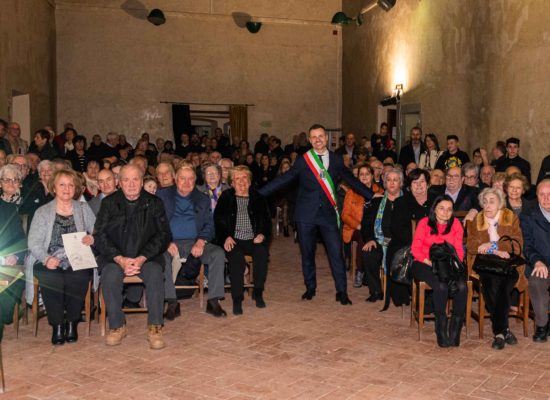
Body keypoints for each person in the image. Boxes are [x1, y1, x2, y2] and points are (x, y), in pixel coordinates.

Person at [259, 124, 373, 304]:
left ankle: (342, 292)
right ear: (310, 140)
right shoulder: (304, 160)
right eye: (314, 137)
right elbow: (285, 179)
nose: (318, 139)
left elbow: (351, 180)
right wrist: (259, 194)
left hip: (328, 215)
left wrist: (372, 195)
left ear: (326, 138)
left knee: (336, 254)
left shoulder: (336, 159)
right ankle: (310, 288)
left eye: (321, 136)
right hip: (306, 215)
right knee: (307, 254)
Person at [94, 165, 171, 349]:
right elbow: (100, 236)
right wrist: (120, 259)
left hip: (146, 256)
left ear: (142, 181)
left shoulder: (154, 203)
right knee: (110, 275)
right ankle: (117, 326)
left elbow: (163, 235)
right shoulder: (109, 203)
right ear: (119, 183)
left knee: (155, 273)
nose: (131, 184)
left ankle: (155, 327)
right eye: (126, 180)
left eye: (135, 179)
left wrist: (142, 257)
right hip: (115, 257)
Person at [27, 169, 96, 345]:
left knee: (79, 276)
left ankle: (72, 322)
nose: (67, 188)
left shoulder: (83, 208)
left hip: (77, 257)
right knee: (52, 277)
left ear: (76, 188)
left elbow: (97, 231)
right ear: (54, 187)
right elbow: (33, 242)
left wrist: (92, 238)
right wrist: (46, 259)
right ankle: (57, 325)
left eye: (71, 185)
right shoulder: (42, 211)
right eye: (62, 185)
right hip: (48, 257)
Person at [156, 165, 228, 319]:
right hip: (170, 243)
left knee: (218, 253)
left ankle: (213, 301)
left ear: (195, 181)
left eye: (190, 179)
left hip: (195, 242)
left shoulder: (202, 198)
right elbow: (155, 222)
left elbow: (210, 224)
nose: (186, 182)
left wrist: (201, 241)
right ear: (175, 179)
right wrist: (166, 241)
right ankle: (172, 302)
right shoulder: (162, 195)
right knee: (161, 258)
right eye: (183, 178)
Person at [466, 188, 525, 349]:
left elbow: (517, 244)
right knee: (489, 283)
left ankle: (499, 332)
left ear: (500, 204)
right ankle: (503, 330)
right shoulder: (477, 219)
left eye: (492, 201)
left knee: (504, 287)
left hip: (508, 263)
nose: (487, 205)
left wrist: (494, 246)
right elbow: (471, 245)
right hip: (486, 264)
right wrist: (491, 250)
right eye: (485, 202)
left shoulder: (510, 217)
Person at [411, 195, 467, 347]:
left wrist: (454, 264)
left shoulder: (456, 224)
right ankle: (440, 330)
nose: (445, 212)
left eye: (449, 209)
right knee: (441, 287)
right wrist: (429, 262)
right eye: (441, 208)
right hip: (424, 262)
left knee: (462, 287)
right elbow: (415, 249)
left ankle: (455, 331)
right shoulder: (424, 223)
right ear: (434, 209)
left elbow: (459, 250)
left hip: (448, 264)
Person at [214, 166, 271, 315]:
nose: (241, 181)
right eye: (237, 179)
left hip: (253, 239)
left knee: (262, 253)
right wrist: (226, 236)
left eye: (244, 177)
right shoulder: (226, 197)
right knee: (237, 258)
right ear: (232, 183)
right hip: (233, 239)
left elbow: (266, 222)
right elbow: (219, 220)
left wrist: (262, 234)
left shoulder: (258, 198)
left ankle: (258, 292)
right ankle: (237, 299)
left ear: (250, 181)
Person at [360, 168, 403, 304]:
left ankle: (400, 292)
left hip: (400, 243)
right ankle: (376, 290)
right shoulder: (376, 201)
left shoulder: (407, 202)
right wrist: (370, 239)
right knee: (368, 253)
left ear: (401, 183)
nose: (392, 183)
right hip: (380, 241)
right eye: (388, 180)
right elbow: (366, 224)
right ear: (384, 183)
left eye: (395, 180)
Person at [342, 164, 383, 287]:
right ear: (358, 177)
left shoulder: (380, 192)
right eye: (361, 174)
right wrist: (358, 225)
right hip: (354, 228)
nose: (364, 176)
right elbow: (345, 215)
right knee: (363, 236)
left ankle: (371, 271)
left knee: (371, 235)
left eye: (367, 174)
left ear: (372, 176)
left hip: (374, 228)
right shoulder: (351, 192)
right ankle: (360, 271)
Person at [520, 179, 550, 342]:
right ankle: (542, 326)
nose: (546, 198)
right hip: (539, 261)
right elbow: (527, 245)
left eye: (549, 194)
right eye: (542, 194)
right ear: (536, 196)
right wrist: (537, 261)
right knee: (537, 282)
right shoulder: (528, 215)